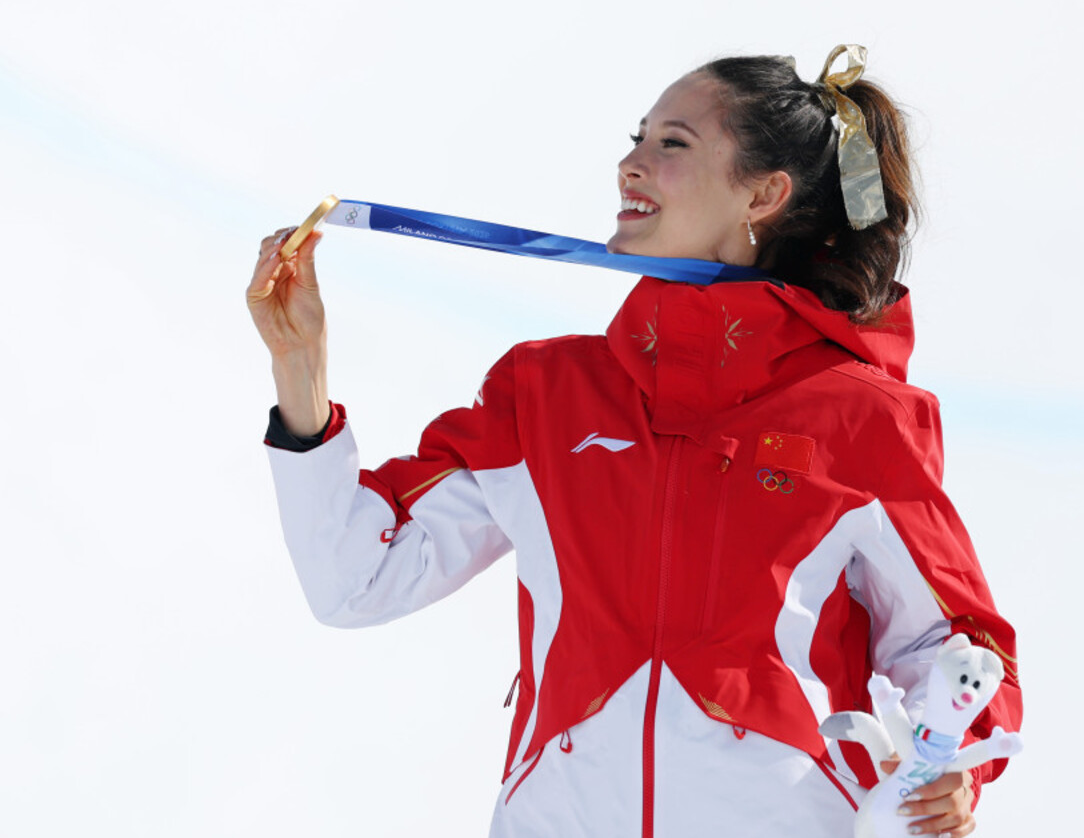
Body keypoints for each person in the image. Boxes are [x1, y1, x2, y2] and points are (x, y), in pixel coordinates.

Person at [246, 46, 1021, 838]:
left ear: (763, 194)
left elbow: (953, 643)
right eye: (636, 138)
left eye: (671, 144)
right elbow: (356, 579)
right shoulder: (545, 395)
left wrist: (949, 763)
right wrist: (299, 368)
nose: (630, 164)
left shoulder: (859, 417)